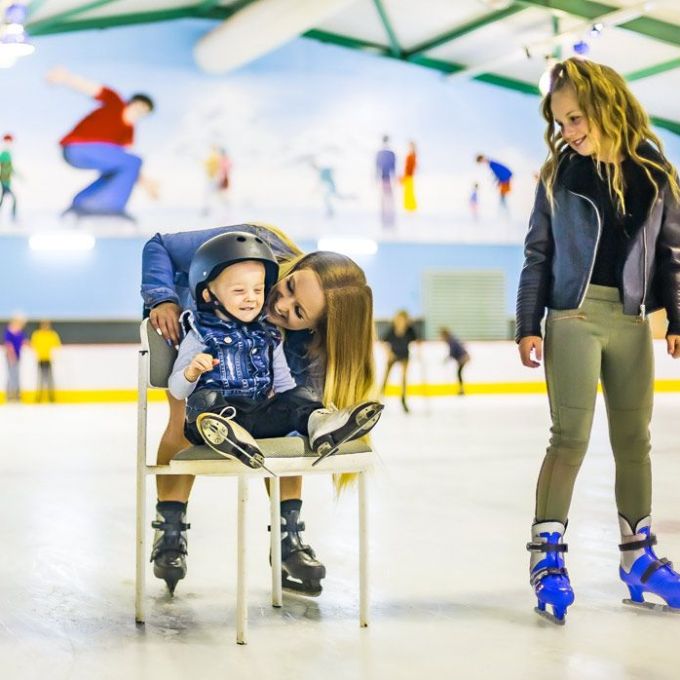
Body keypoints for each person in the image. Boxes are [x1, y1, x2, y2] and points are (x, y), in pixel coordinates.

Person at [516, 57, 680, 624]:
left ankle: (638, 557)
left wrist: (677, 318)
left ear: (609, 106)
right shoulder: (561, 174)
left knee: (636, 440)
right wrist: (526, 323)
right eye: (561, 123)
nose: (569, 131)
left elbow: (671, 255)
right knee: (571, 438)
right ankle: (548, 558)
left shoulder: (655, 171)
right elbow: (538, 253)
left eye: (577, 118)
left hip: (632, 320)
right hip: (572, 317)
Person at [141, 223, 378, 597]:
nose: (279, 304)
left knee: (289, 428)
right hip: (200, 324)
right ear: (297, 265)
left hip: (260, 346)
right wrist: (162, 298)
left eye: (298, 311)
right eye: (288, 286)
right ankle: (169, 530)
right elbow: (159, 247)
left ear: (316, 329)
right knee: (181, 418)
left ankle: (288, 540)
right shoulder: (254, 244)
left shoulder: (305, 349)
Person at [45, 66, 158, 221]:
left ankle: (81, 205)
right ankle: (112, 209)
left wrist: (147, 184)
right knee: (134, 161)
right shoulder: (116, 102)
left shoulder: (128, 132)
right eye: (139, 108)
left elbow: (129, 167)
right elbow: (90, 88)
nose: (138, 114)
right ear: (131, 103)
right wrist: (65, 78)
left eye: (143, 114)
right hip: (78, 148)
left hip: (90, 154)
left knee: (120, 168)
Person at [380, 310, 417, 413]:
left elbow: (416, 340)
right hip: (393, 355)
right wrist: (389, 353)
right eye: (399, 319)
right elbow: (383, 342)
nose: (401, 321)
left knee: (404, 379)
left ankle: (403, 400)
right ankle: (379, 398)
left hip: (405, 355)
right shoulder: (392, 330)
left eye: (403, 319)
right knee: (385, 377)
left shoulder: (409, 330)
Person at [30, 320, 62, 403]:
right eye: (43, 325)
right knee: (40, 379)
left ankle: (52, 397)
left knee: (50, 379)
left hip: (49, 359)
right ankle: (38, 398)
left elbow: (57, 346)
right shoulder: (37, 334)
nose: (45, 326)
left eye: (47, 325)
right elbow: (32, 345)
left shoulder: (52, 335)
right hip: (40, 359)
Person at [3, 315, 27, 402]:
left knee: (16, 375)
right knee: (12, 375)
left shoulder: (20, 333)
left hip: (17, 356)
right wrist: (12, 355)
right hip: (11, 357)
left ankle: (16, 395)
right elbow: (8, 345)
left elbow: (23, 342)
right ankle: (10, 395)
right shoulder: (9, 332)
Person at [439, 328, 470, 396]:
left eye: (441, 336)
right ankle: (461, 389)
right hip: (463, 358)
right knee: (459, 373)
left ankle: (461, 390)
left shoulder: (451, 341)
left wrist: (446, 359)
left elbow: (453, 352)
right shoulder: (452, 340)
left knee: (459, 373)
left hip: (463, 358)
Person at [376, 135, 396, 228]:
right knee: (388, 199)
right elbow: (393, 168)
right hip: (387, 179)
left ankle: (385, 219)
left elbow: (377, 167)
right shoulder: (391, 153)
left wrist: (376, 178)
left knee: (385, 199)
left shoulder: (380, 153)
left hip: (384, 178)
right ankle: (387, 219)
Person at [0, 133, 18, 223]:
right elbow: (4, 167)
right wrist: (4, 180)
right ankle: (13, 217)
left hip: (6, 180)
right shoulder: (4, 154)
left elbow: (10, 168)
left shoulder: (8, 154)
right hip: (4, 181)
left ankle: (13, 216)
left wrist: (17, 174)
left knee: (3, 200)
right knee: (14, 199)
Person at [400, 141, 417, 212]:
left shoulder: (411, 156)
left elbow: (409, 168)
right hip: (408, 176)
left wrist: (405, 177)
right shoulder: (412, 155)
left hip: (409, 176)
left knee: (408, 193)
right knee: (408, 193)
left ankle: (410, 208)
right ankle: (409, 208)